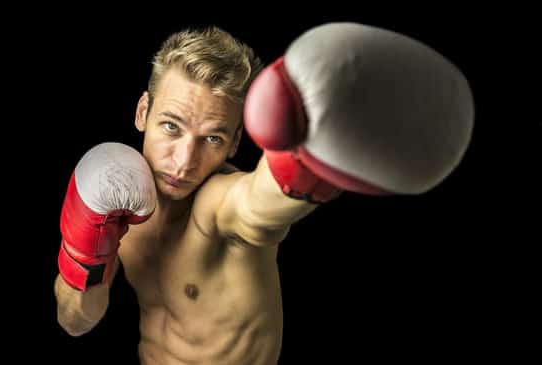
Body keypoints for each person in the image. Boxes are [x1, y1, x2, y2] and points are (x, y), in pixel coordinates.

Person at [54, 23, 474, 364]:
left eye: (213, 139)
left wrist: (307, 156)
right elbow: (75, 321)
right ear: (142, 112)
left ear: (237, 142)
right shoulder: (119, 198)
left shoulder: (218, 207)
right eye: (171, 127)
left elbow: (258, 204)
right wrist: (84, 251)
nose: (184, 161)